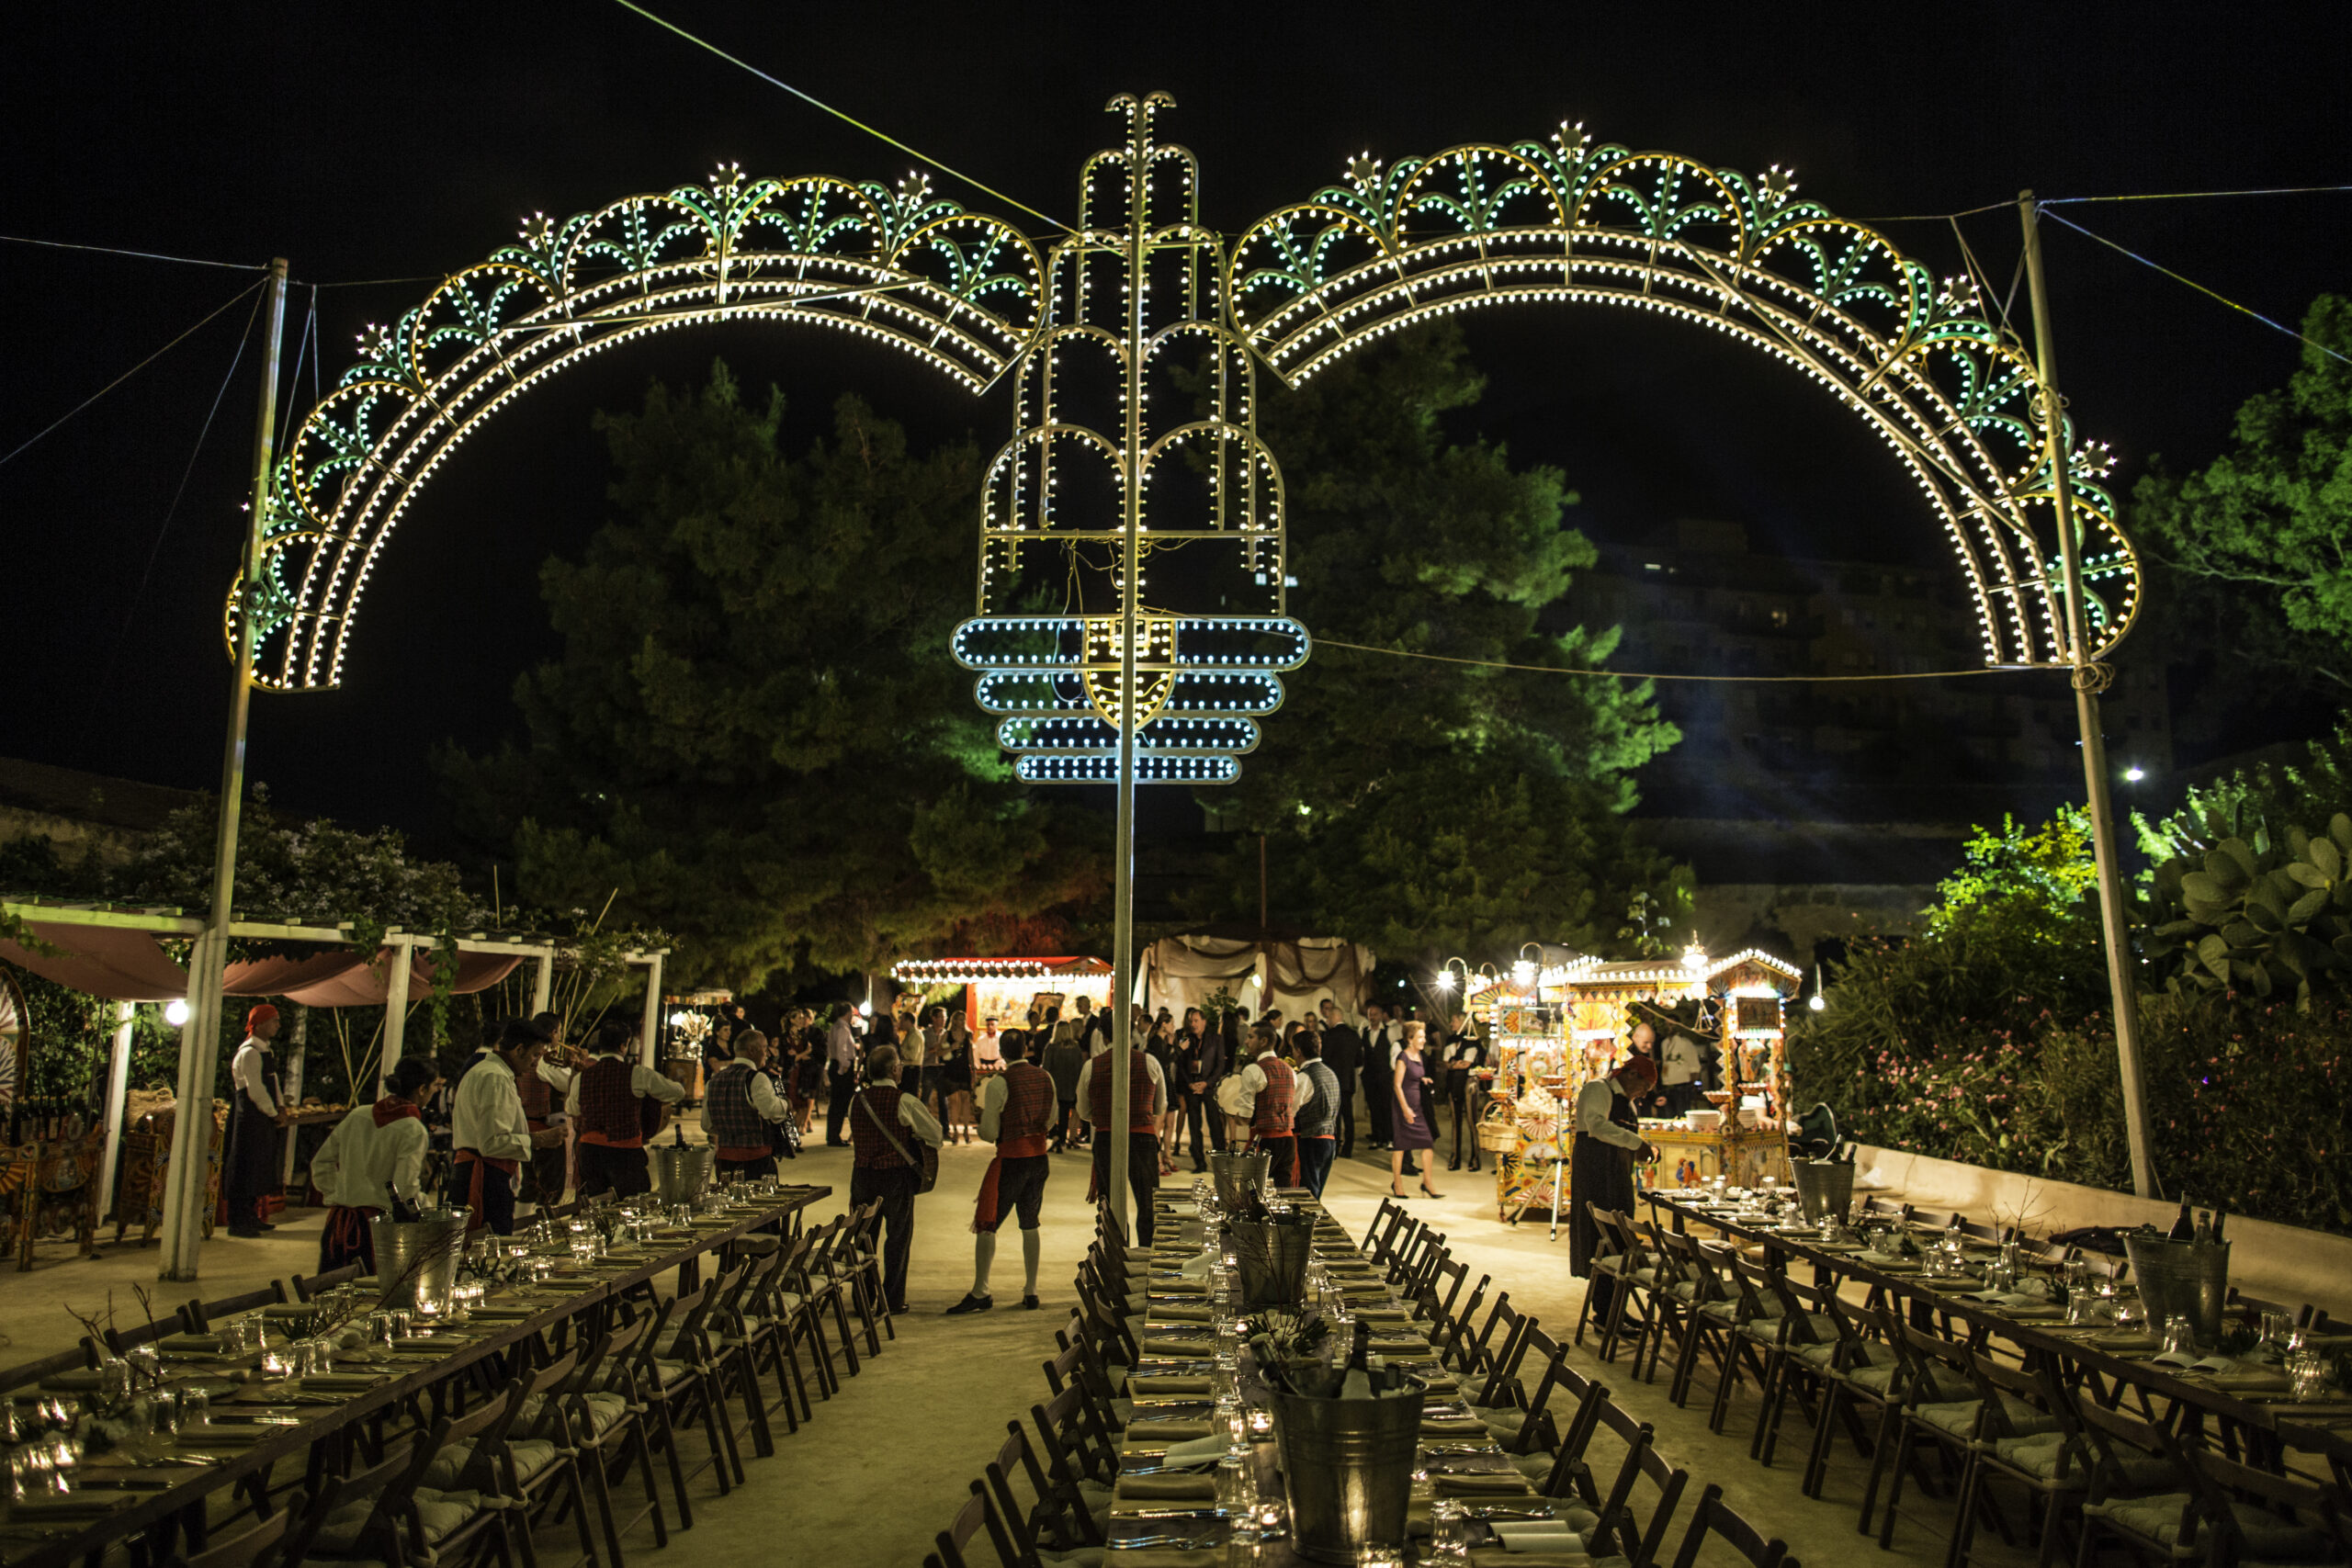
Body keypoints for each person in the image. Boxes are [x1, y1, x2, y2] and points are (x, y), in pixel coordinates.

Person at [946, 1030, 1055, 1314]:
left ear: (1002, 1053)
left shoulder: (999, 1083)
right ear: (1026, 1048)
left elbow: (990, 1131)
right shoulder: (1045, 1077)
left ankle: (981, 1289)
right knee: (1030, 1223)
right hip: (1038, 1157)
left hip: (1011, 1159)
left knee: (988, 1222)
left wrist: (984, 1122)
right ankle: (1031, 1290)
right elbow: (1053, 1118)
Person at [310, 1055, 439, 1272]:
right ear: (422, 1089)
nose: (436, 1091)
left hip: (339, 1225)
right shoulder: (412, 1129)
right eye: (435, 1086)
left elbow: (321, 1162)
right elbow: (405, 1188)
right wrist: (429, 1211)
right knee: (370, 1296)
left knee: (334, 1294)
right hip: (378, 1230)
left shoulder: (359, 1114)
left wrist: (339, 1197)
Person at [849, 1043, 942, 1315]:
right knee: (898, 1239)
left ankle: (863, 1298)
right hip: (895, 1177)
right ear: (894, 1070)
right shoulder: (904, 1100)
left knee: (863, 1237)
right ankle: (892, 1299)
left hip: (862, 1174)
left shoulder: (857, 1099)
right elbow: (935, 1135)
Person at [453, 1020, 564, 1234]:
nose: (535, 1064)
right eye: (535, 1055)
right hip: (484, 1179)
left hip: (484, 1174)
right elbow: (492, 1143)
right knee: (489, 1249)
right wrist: (539, 1139)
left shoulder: (491, 1071)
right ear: (519, 1049)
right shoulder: (494, 1077)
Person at [1570, 1055, 1660, 1312]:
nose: (1643, 1094)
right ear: (1631, 1075)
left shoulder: (1626, 1102)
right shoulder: (1598, 1089)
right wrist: (1636, 1144)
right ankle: (1604, 1311)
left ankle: (1614, 1311)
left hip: (1617, 1174)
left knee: (1620, 1238)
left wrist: (1642, 1148)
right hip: (1597, 1173)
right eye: (1644, 1087)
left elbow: (1623, 1135)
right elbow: (1598, 1127)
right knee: (1603, 1236)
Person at [568, 1016, 687, 1199]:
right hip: (625, 1153)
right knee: (631, 1204)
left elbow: (573, 1110)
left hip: (590, 1153)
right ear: (624, 1046)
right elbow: (677, 1093)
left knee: (592, 1207)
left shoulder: (581, 1078)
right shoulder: (638, 1074)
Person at [1075, 1034, 1165, 1247]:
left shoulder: (1092, 1066)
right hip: (1143, 1139)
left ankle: (1116, 1259)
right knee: (1147, 1203)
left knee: (1111, 1205)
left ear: (1103, 1035)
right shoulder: (1150, 1062)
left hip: (1107, 1138)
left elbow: (1084, 1111)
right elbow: (1160, 1106)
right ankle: (1146, 1256)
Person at [223, 1003, 289, 1237]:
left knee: (258, 1166)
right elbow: (256, 1089)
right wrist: (272, 1112)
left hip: (263, 1115)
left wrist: (280, 1107)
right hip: (250, 1116)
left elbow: (272, 1083)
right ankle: (238, 1220)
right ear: (259, 1024)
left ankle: (251, 1216)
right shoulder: (249, 1053)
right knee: (245, 1166)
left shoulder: (265, 1051)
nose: (277, 1026)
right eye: (273, 1021)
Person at [702, 1028, 790, 1180]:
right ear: (752, 1050)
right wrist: (786, 1104)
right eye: (764, 1048)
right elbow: (772, 1112)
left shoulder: (713, 1082)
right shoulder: (756, 1078)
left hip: (724, 1162)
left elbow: (707, 1125)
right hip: (755, 1163)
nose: (767, 1053)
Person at [1234, 1023, 1302, 1188]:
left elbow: (1245, 1117)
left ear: (1263, 1041)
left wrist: (1235, 1117)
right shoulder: (1290, 1070)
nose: (1246, 1041)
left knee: (1252, 1191)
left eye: (1251, 1037)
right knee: (1282, 1193)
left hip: (1265, 1140)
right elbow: (1294, 1106)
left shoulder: (1253, 1070)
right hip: (1288, 1140)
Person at [1388, 1021, 1442, 1199]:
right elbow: (1397, 1085)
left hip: (1418, 1107)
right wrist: (1405, 1109)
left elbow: (1414, 1077)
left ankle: (1427, 1182)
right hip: (1404, 1107)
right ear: (1410, 1039)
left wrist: (1423, 1080)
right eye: (1420, 1037)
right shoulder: (1402, 1057)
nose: (1424, 1040)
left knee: (1427, 1143)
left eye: (1423, 1036)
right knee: (1400, 1146)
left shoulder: (1420, 1056)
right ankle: (1397, 1183)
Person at [1171, 1007, 1221, 1174]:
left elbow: (1220, 1065)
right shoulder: (1185, 1039)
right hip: (1191, 1087)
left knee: (1215, 1125)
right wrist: (1190, 1084)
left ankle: (1221, 1160)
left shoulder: (1216, 1039)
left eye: (1196, 1021)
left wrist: (1207, 1083)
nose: (1193, 1024)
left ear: (1204, 1022)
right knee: (1194, 1125)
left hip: (1208, 1087)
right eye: (1191, 1021)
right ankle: (1199, 1162)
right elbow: (1181, 1065)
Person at [1293, 1032, 1340, 1197]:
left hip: (1310, 1140)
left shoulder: (1305, 1077)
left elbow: (1292, 1110)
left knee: (1307, 1193)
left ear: (1298, 1051)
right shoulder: (1331, 1074)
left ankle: (1310, 1222)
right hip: (1330, 1139)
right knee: (1316, 1192)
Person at [1440, 1012, 1487, 1174]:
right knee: (1455, 1121)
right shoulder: (1450, 1040)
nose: (1451, 1023)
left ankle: (1475, 1157)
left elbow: (1466, 1063)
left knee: (1472, 1121)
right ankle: (1455, 1157)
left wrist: (1454, 1064)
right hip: (1454, 1084)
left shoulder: (1473, 1041)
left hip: (1469, 1084)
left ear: (1462, 1022)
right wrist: (1455, 1065)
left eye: (1453, 1020)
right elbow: (1447, 1062)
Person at [1317, 999, 1363, 1158]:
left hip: (1334, 1082)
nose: (1328, 1022)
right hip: (1349, 1081)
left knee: (1334, 1116)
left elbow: (1325, 1058)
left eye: (1329, 1019)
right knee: (1348, 1116)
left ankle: (1335, 1149)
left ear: (1334, 1018)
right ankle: (1348, 1149)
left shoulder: (1330, 1035)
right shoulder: (1353, 1035)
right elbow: (1359, 1060)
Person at [1039, 1006, 1083, 1152]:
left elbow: (1046, 1068)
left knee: (1052, 1114)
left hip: (1054, 1086)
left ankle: (1055, 1136)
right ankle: (1062, 1139)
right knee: (1065, 1114)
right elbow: (1079, 1068)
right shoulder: (1076, 1048)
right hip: (1070, 1087)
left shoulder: (1051, 1047)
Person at [936, 1010, 976, 1145]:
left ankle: (965, 1130)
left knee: (965, 1100)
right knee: (954, 1101)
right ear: (954, 1021)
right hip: (951, 1069)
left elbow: (970, 1055)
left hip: (964, 1070)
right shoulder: (947, 1035)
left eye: (963, 1020)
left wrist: (974, 1071)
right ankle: (954, 1131)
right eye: (959, 1019)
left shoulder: (968, 1035)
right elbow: (938, 1052)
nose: (961, 1022)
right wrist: (951, 1048)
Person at [1363, 1002, 1397, 1153]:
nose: (1372, 1017)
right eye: (1370, 1014)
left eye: (1375, 1014)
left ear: (1381, 1015)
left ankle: (1390, 1138)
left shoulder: (1389, 1031)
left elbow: (1394, 1053)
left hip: (1385, 1076)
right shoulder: (1364, 1031)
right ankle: (1377, 1137)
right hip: (1369, 1076)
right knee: (1373, 1107)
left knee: (1387, 1107)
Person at [824, 1004, 859, 1145]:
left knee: (836, 1103)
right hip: (842, 1067)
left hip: (837, 1065)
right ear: (848, 1013)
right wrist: (846, 1066)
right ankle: (834, 1136)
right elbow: (841, 1049)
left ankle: (832, 1134)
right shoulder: (842, 1027)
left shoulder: (836, 1026)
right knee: (840, 1103)